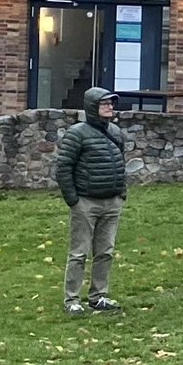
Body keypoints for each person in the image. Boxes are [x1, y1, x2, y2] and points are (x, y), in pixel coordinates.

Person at [55, 87, 127, 315]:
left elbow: (120, 162)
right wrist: (73, 199)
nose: (110, 107)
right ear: (93, 107)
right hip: (86, 202)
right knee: (79, 253)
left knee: (105, 251)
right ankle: (72, 299)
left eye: (111, 103)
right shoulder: (77, 133)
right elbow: (64, 166)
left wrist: (121, 192)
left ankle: (99, 295)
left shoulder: (115, 131)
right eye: (104, 103)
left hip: (112, 201)